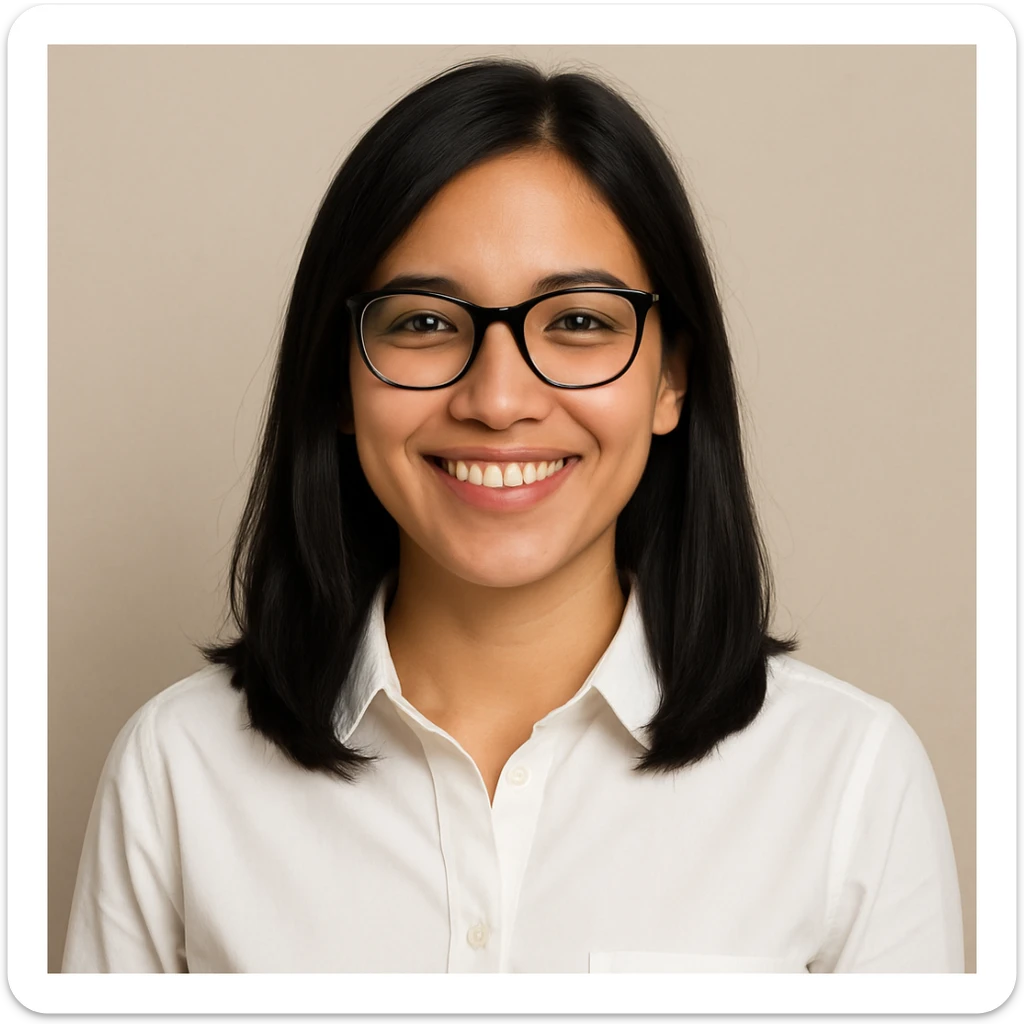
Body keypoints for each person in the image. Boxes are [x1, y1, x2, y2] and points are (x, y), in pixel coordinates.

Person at [61, 57, 964, 974]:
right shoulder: (178, 771)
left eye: (578, 322)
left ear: (672, 378)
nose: (498, 399)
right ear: (341, 376)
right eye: (423, 322)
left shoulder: (850, 782)